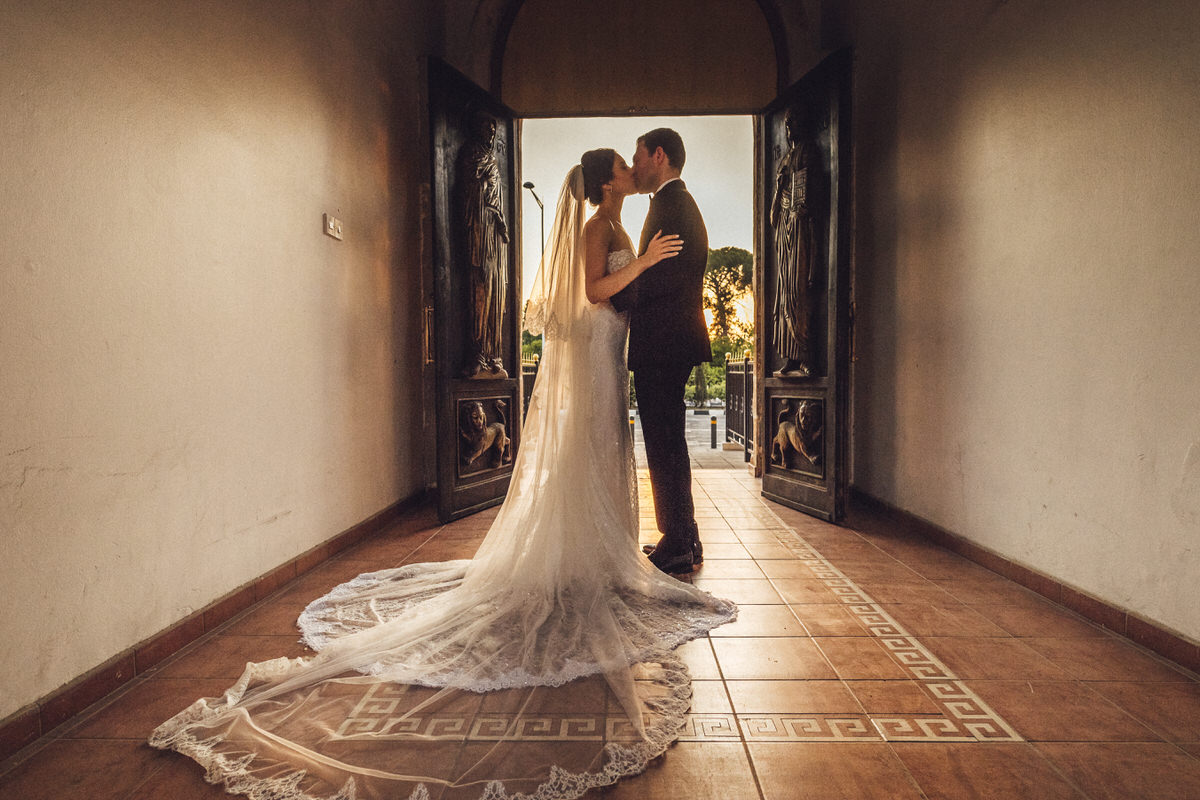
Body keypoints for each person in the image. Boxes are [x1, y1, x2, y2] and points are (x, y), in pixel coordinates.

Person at [150, 151, 736, 800]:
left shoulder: (620, 224)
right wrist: (649, 265)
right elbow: (592, 292)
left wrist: (645, 274)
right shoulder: (600, 226)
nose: (630, 169)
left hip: (610, 353)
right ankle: (579, 559)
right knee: (590, 454)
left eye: (633, 163)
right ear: (606, 182)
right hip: (598, 350)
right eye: (622, 167)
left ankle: (598, 557)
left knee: (605, 453)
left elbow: (620, 294)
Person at [610, 128, 711, 576]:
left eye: (637, 157)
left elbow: (659, 281)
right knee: (668, 440)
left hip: (665, 341)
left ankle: (677, 543)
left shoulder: (672, 206)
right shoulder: (673, 204)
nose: (634, 167)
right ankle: (684, 536)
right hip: (672, 339)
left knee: (664, 441)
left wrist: (612, 297)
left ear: (659, 155)